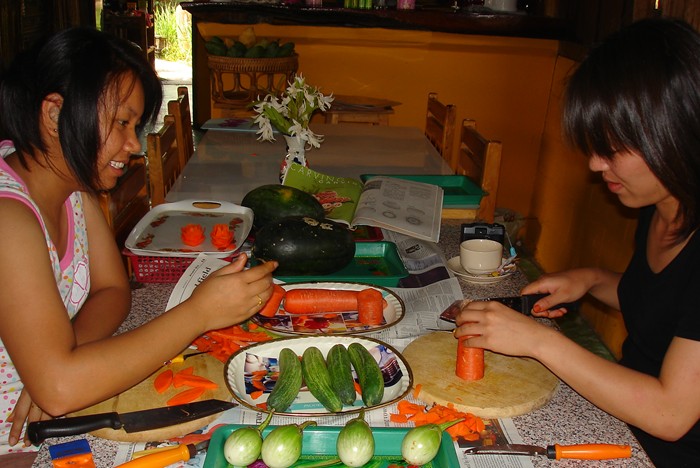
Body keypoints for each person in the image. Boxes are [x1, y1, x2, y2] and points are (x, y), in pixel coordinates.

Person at [0, 27, 277, 458]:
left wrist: (63, 359)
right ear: (54, 115)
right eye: (122, 123)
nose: (133, 146)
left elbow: (113, 290)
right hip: (15, 444)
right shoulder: (9, 220)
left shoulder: (73, 187)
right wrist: (199, 313)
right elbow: (57, 391)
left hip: (58, 412)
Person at [454, 18, 700, 467]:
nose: (593, 164)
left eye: (611, 148)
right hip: (621, 416)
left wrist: (539, 341)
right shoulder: (662, 206)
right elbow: (666, 306)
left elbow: (670, 414)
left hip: (660, 451)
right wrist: (590, 279)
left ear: (671, 132)